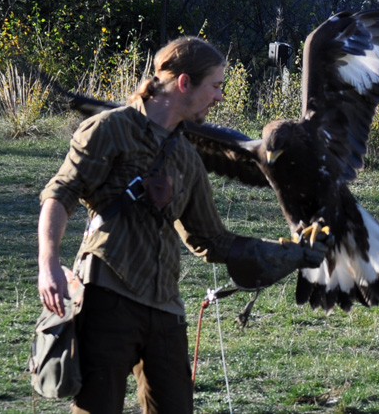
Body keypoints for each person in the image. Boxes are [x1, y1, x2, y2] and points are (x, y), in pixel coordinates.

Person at [37, 36, 329, 414]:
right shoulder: (109, 129)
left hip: (166, 309)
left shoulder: (188, 158)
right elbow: (60, 194)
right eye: (215, 86)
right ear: (184, 83)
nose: (219, 97)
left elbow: (212, 240)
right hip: (107, 295)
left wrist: (291, 254)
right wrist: (48, 265)